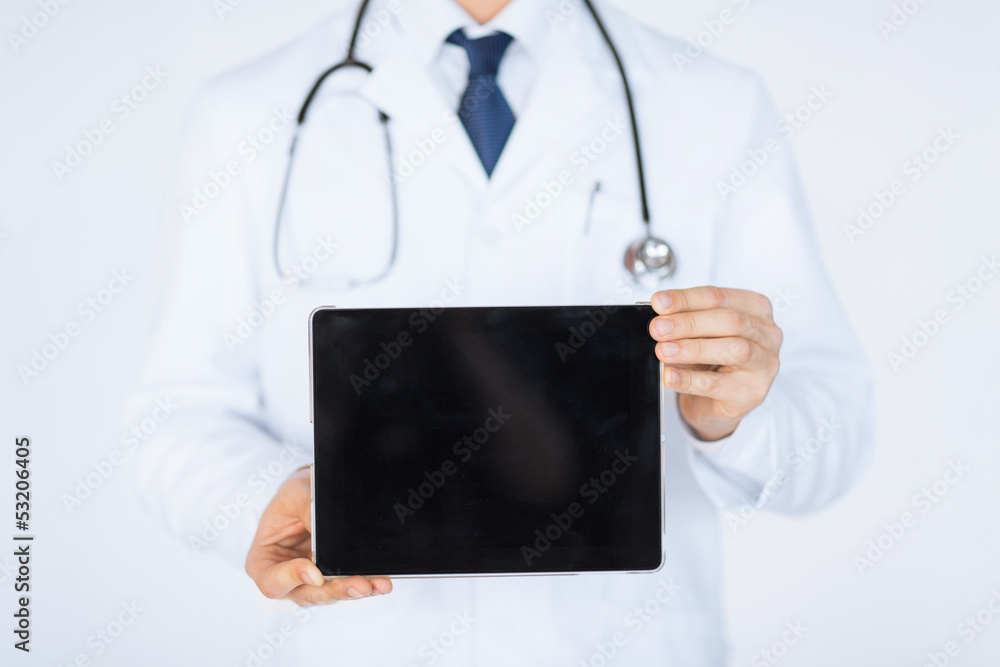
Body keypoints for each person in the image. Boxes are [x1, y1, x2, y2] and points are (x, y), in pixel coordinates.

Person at [127, 0, 873, 663]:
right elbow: (177, 415)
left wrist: (734, 420)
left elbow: (834, 432)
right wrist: (272, 496)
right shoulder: (250, 111)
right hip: (373, 640)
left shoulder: (713, 102)